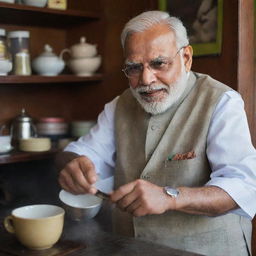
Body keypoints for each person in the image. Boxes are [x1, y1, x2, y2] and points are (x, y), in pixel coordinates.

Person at [56, 10, 256, 256]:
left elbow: (244, 187)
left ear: (186, 57)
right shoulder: (119, 106)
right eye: (134, 68)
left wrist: (171, 197)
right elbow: (79, 153)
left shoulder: (221, 101)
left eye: (159, 63)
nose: (146, 79)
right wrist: (74, 165)